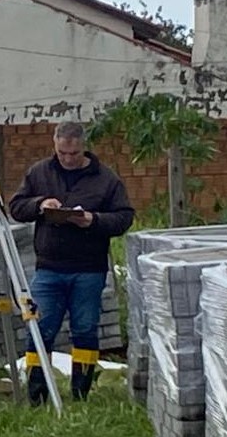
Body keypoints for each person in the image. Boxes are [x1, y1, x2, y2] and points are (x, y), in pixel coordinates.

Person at [9, 121, 134, 403]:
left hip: (88, 269)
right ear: (55, 146)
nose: (67, 159)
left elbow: (124, 217)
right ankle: (38, 395)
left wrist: (93, 220)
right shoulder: (40, 172)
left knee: (85, 329)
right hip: (49, 268)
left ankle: (81, 394)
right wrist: (40, 205)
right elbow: (16, 207)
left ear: (84, 148)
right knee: (40, 328)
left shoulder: (106, 179)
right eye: (62, 153)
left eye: (74, 154)